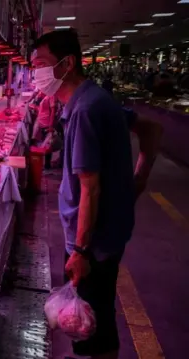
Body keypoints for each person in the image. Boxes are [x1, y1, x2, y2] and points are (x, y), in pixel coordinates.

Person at [31, 29, 162, 359]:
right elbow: (150, 128)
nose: (36, 73)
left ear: (67, 64)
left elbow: (90, 188)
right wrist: (138, 182)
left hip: (94, 242)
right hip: (104, 233)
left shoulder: (85, 110)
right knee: (97, 317)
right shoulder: (93, 99)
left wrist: (80, 251)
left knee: (91, 326)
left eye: (41, 64)